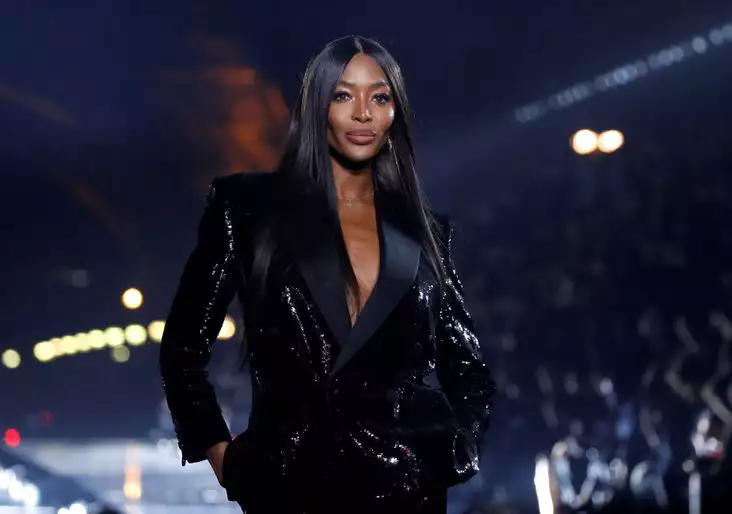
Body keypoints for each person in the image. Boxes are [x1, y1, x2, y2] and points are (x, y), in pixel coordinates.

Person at [159, 35, 497, 514]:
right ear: (316, 106)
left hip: (408, 492)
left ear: (395, 112)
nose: (363, 114)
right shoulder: (248, 209)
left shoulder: (426, 233)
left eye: (379, 97)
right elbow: (182, 351)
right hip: (290, 488)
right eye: (343, 95)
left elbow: (469, 371)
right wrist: (223, 457)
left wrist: (454, 451)